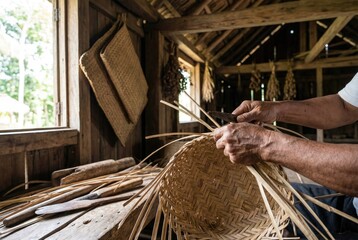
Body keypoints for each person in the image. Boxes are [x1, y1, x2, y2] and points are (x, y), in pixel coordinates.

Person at [213, 72, 358, 238]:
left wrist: (265, 144)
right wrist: (275, 109)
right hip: (352, 203)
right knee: (271, 198)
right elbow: (344, 106)